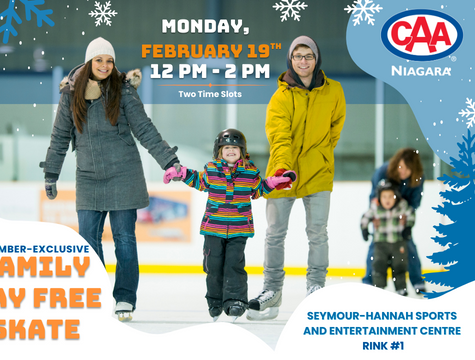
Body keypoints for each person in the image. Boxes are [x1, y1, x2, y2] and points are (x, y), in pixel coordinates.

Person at [39, 37, 180, 322]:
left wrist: (169, 160)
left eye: (109, 60)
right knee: (88, 242)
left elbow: (145, 129)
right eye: (99, 60)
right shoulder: (70, 95)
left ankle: (125, 298)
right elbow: (60, 137)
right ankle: (98, 294)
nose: (105, 65)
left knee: (125, 241)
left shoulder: (123, 91)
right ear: (89, 62)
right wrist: (51, 173)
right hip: (89, 177)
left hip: (123, 174)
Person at [246, 35, 346, 321]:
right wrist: (283, 170)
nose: (303, 61)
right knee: (275, 234)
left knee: (318, 233)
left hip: (318, 172)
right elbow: (279, 137)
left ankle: (316, 289)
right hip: (282, 174)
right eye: (298, 56)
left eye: (308, 56)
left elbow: (334, 130)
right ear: (290, 60)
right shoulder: (280, 97)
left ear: (317, 59)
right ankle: (272, 292)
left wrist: (322, 156)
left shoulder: (334, 92)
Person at [163, 129, 294, 322]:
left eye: (235, 147)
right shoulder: (211, 169)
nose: (231, 151)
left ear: (242, 150)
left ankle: (235, 301)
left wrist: (275, 182)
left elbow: (258, 190)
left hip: (239, 229)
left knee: (234, 265)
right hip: (213, 228)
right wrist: (181, 173)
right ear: (219, 151)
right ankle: (215, 302)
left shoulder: (250, 172)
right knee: (213, 266)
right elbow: (198, 180)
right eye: (226, 148)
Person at [362, 148, 426, 294]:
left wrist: (407, 220)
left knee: (408, 246)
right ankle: (368, 282)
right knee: (376, 248)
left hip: (400, 218)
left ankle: (418, 283)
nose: (403, 172)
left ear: (414, 170)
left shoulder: (418, 178)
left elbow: (415, 202)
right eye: (401, 167)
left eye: (408, 169)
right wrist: (374, 216)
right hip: (382, 219)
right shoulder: (383, 171)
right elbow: (374, 196)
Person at [360, 180, 415, 295]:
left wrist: (408, 227)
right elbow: (365, 217)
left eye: (390, 196)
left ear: (396, 196)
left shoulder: (402, 206)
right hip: (380, 244)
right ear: (379, 197)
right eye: (384, 196)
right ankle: (378, 288)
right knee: (378, 265)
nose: (387, 199)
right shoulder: (376, 208)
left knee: (400, 266)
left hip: (398, 242)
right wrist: (364, 229)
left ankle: (401, 288)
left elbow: (411, 214)